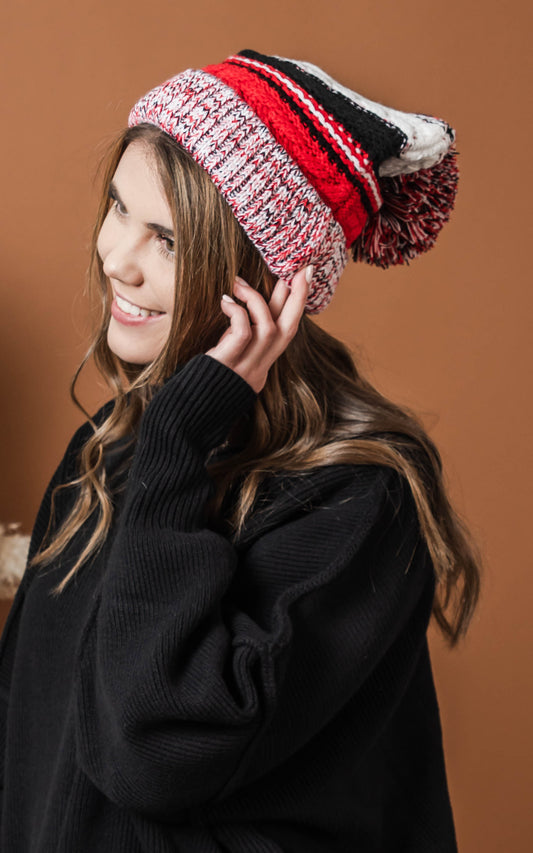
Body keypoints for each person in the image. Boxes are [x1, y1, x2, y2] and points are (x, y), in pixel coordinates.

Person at [0, 50, 482, 852]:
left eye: (168, 239)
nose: (116, 258)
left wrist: (179, 448)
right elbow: (21, 721)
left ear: (267, 277)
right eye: (118, 208)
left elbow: (152, 753)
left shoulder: (356, 493)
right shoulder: (113, 444)